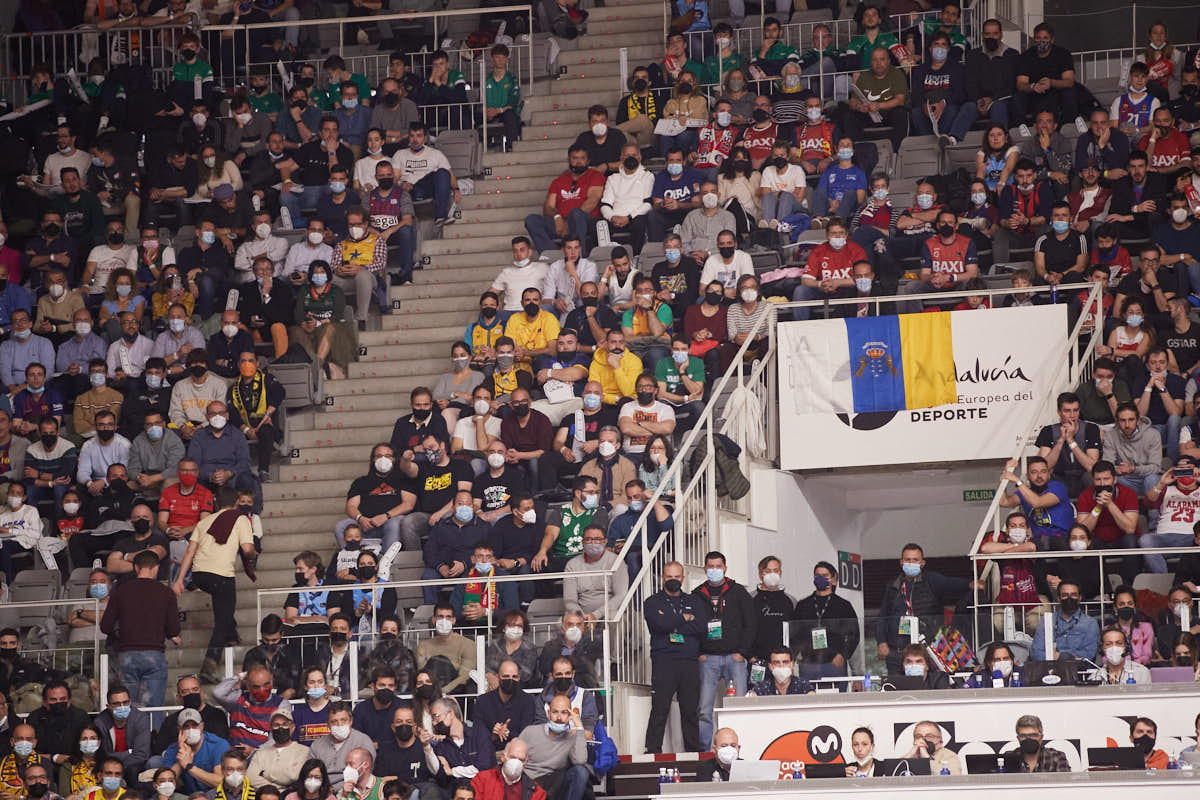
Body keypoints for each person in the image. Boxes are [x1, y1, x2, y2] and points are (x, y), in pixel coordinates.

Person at [172, 487, 257, 682]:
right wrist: (253, 555)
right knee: (222, 621)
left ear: (217, 504)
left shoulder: (204, 522)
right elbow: (247, 548)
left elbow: (189, 553)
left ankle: (232, 634)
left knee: (224, 609)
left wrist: (179, 581)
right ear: (236, 502)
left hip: (200, 574)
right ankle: (209, 666)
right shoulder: (241, 518)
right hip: (221, 576)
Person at [876, 543, 978, 676]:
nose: (911, 563)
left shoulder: (932, 580)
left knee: (932, 686)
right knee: (898, 689)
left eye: (915, 560)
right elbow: (883, 617)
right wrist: (882, 642)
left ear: (922, 563)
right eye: (907, 560)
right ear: (901, 562)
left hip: (929, 649)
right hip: (898, 651)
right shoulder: (892, 586)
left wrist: (972, 584)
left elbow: (952, 584)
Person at [691, 551, 754, 751]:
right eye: (711, 566)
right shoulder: (697, 594)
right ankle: (705, 751)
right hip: (708, 658)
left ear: (725, 568)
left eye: (718, 566)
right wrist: (699, 652)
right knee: (704, 709)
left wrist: (742, 652)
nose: (714, 570)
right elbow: (691, 627)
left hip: (734, 658)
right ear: (705, 569)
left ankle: (739, 747)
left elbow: (751, 624)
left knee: (738, 707)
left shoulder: (738, 592)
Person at [99, 551, 180, 707]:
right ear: (156, 567)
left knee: (127, 707)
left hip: (127, 656)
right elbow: (173, 630)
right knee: (154, 708)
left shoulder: (120, 591)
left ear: (136, 567)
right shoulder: (166, 593)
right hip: (154, 656)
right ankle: (153, 731)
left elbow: (106, 626)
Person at [793, 560, 860, 683]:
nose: (821, 578)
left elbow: (854, 635)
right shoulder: (803, 605)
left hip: (834, 663)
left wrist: (842, 655)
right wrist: (793, 658)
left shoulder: (843, 605)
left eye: (825, 576)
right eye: (818, 575)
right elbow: (795, 633)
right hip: (809, 663)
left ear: (833, 579)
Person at [517, 695, 589, 800]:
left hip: (554, 785)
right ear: (548, 713)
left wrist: (579, 727)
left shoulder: (572, 737)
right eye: (555, 712)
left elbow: (580, 760)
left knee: (581, 772)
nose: (559, 718)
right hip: (529, 782)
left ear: (570, 715)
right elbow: (513, 757)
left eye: (564, 713)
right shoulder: (530, 731)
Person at [997, 456, 1073, 548]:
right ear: (1027, 476)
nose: (1039, 476)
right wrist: (1005, 473)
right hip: (1038, 541)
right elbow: (1004, 501)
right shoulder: (1025, 492)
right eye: (1034, 472)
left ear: (1049, 474)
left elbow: (1037, 503)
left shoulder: (1058, 487)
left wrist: (1017, 481)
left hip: (1062, 538)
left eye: (1043, 472)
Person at [1036, 392, 1102, 497]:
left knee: (1093, 477)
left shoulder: (1091, 429)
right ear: (1059, 412)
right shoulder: (1048, 431)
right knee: (1042, 478)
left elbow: (1091, 466)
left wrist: (1071, 440)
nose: (1072, 415)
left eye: (1075, 410)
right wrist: (1061, 440)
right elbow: (1044, 466)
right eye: (1067, 411)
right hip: (1059, 476)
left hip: (1083, 476)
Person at [1013, 23, 1079, 125]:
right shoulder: (1026, 56)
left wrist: (1051, 83)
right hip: (1034, 93)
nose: (1041, 41)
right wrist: (1032, 87)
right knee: (1018, 97)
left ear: (1052, 40)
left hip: (1056, 92)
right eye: (1038, 38)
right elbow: (1020, 83)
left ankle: (1068, 126)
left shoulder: (1063, 54)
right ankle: (1020, 128)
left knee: (1069, 93)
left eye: (1045, 38)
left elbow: (1069, 81)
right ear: (1034, 39)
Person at [562, 524, 627, 622]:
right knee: (564, 622)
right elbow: (569, 600)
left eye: (597, 539)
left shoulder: (616, 561)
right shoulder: (572, 565)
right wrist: (582, 618)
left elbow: (620, 595)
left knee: (614, 617)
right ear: (582, 542)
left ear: (605, 541)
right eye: (588, 539)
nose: (593, 543)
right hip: (582, 615)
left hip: (609, 612)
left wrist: (596, 615)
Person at [600, 145, 653, 255]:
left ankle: (636, 256)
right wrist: (612, 217)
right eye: (627, 155)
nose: (630, 158)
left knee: (640, 222)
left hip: (635, 217)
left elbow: (648, 204)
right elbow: (605, 204)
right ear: (621, 158)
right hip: (614, 218)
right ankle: (607, 257)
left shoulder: (647, 176)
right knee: (598, 224)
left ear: (639, 157)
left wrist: (628, 217)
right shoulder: (613, 178)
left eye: (633, 155)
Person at [1030, 578, 1100, 660]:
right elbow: (1036, 653)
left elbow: (1089, 654)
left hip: (1078, 669)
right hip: (1049, 669)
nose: (1069, 598)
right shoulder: (1046, 621)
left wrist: (1060, 656)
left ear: (1080, 598)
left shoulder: (1090, 623)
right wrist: (1070, 656)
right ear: (1058, 598)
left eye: (1073, 595)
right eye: (1065, 595)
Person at [475, 657, 537, 747]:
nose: (510, 680)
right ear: (498, 677)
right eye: (506, 676)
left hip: (517, 752)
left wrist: (507, 733)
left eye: (514, 677)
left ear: (519, 678)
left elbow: (527, 736)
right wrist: (493, 736)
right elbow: (477, 734)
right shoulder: (482, 701)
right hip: (488, 752)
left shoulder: (527, 701)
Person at [416, 605, 477, 694]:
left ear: (453, 620)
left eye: (448, 617)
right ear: (434, 620)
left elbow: (465, 676)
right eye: (440, 617)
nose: (444, 621)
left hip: (456, 692)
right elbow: (422, 675)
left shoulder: (468, 644)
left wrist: (443, 692)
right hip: (429, 692)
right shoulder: (423, 646)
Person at [247, 706, 310, 789]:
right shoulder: (260, 753)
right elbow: (251, 778)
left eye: (285, 724)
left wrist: (265, 774)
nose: (280, 728)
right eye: (276, 725)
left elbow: (293, 776)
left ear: (292, 728)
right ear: (271, 729)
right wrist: (280, 789)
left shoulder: (304, 751)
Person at [471, 739, 545, 800]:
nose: (516, 762)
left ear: (526, 763)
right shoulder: (482, 780)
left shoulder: (536, 791)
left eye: (521, 760)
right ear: (503, 757)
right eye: (512, 757)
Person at [746, 648, 811, 696]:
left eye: (785, 662)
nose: (781, 666)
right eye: (776, 662)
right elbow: (750, 700)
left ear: (792, 664)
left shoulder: (803, 685)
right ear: (770, 666)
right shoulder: (761, 688)